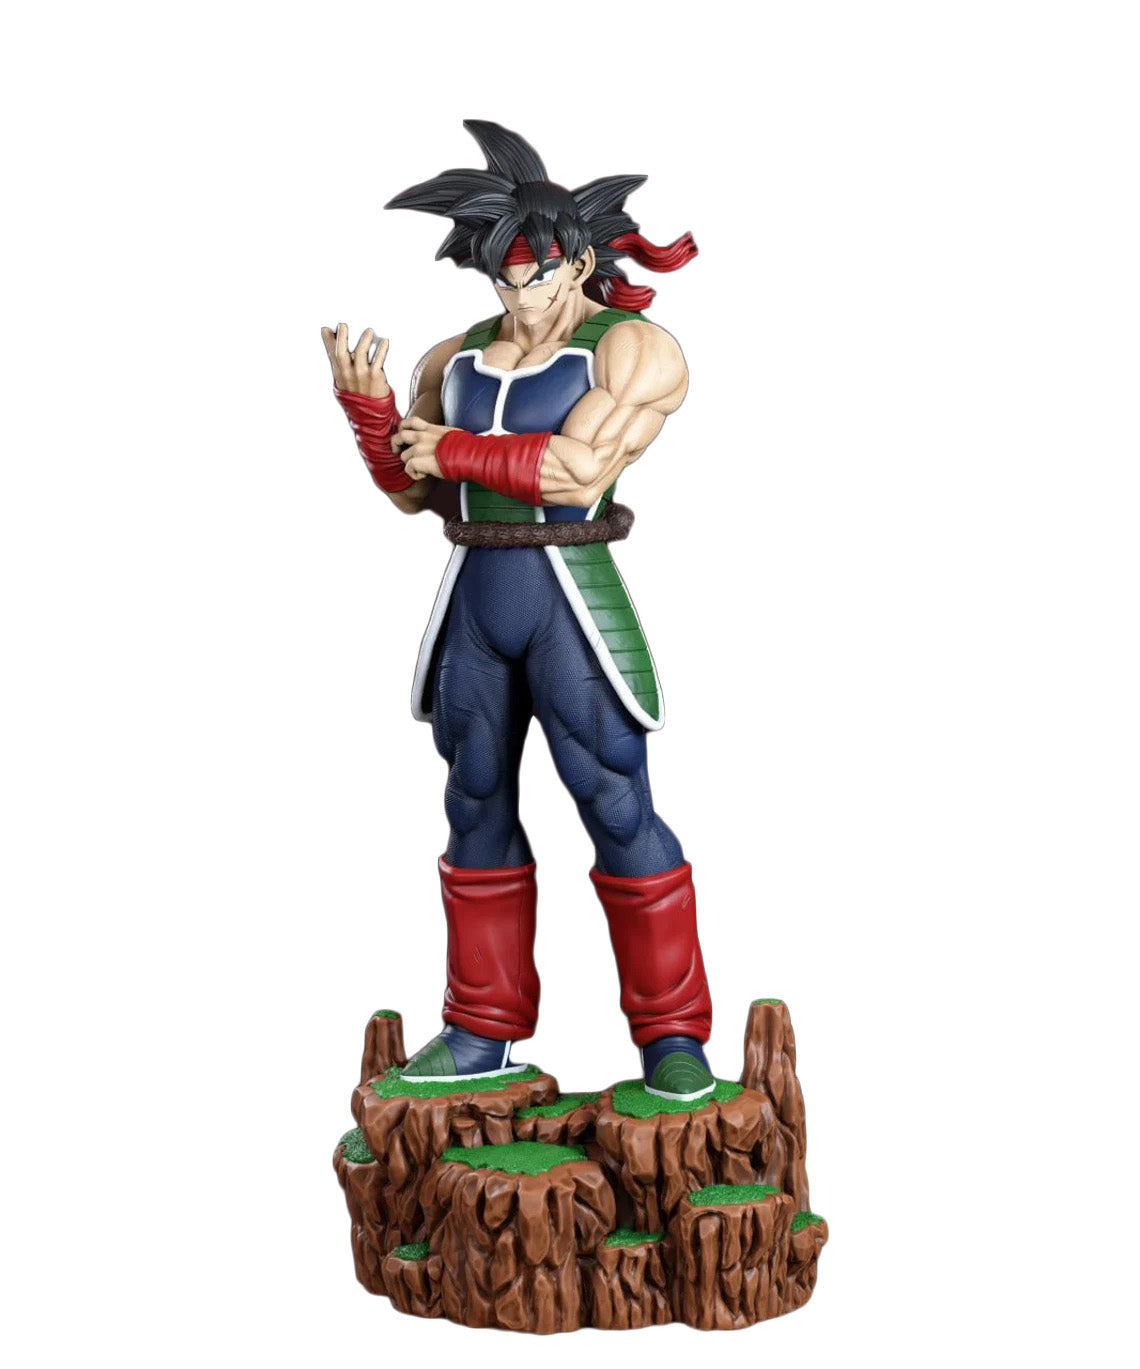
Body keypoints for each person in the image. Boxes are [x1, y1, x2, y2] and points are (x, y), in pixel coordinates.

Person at [322, 121, 714, 1100]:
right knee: (473, 799)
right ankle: (479, 1026)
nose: (519, 288)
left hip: (568, 594)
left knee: (614, 797)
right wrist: (372, 418)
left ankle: (673, 1035)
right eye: (501, 269)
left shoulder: (632, 348)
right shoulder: (455, 359)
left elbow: (578, 470)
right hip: (476, 596)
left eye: (534, 267)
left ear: (578, 260)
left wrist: (447, 449)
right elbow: (417, 494)